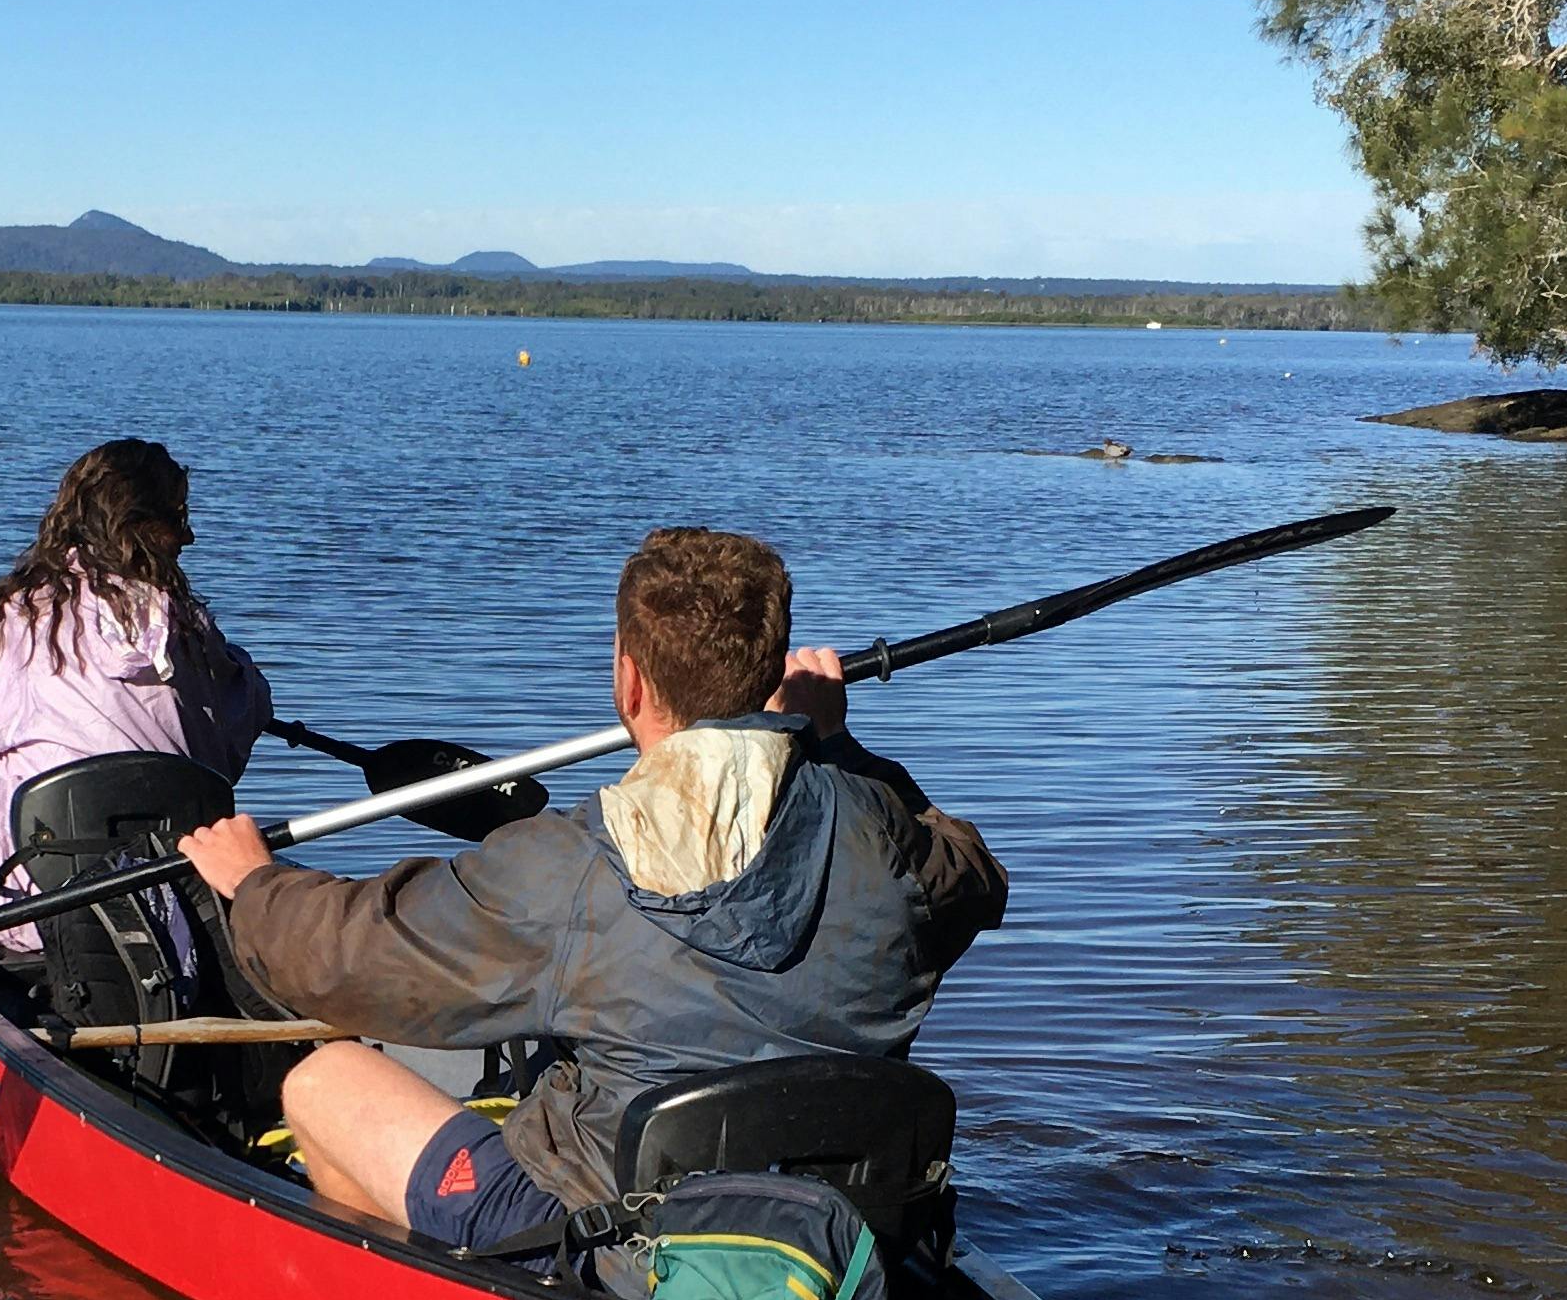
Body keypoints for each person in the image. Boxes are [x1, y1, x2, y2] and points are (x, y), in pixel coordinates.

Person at [177, 526, 1003, 1255]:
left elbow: (353, 964)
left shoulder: (570, 866)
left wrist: (256, 887)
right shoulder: (886, 837)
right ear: (770, 668)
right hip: (836, 1225)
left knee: (325, 1081)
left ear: (630, 681)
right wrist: (838, 744)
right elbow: (974, 883)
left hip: (616, 1243)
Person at [0, 438, 272, 935]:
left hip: (37, 914)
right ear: (140, 526)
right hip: (181, 898)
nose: (189, 536)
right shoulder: (194, 632)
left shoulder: (18, 617)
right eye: (178, 517)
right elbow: (248, 709)